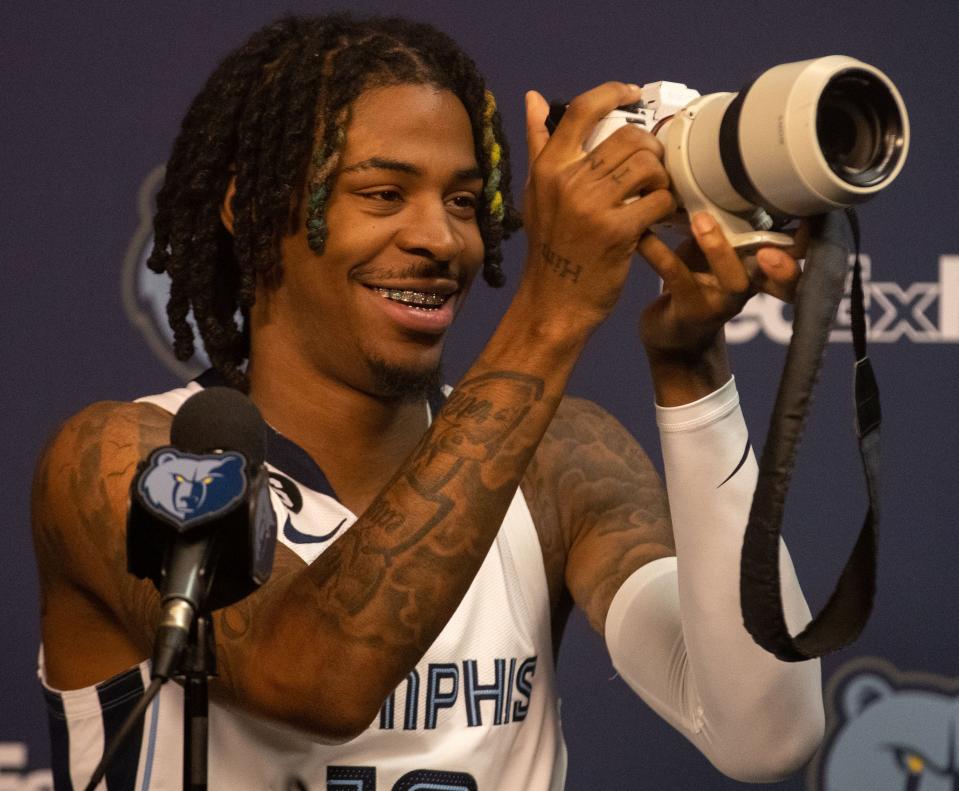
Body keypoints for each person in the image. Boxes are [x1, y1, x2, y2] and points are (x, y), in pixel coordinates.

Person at [32, 13, 824, 790]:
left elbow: (764, 733)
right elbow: (317, 678)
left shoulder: (557, 462)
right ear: (252, 208)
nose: (441, 240)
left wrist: (692, 377)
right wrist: (553, 309)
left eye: (463, 201)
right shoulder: (123, 459)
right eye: (381, 193)